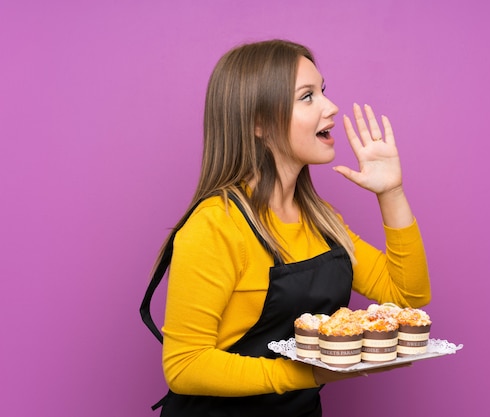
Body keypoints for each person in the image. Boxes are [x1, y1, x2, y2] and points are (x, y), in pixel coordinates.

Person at [140, 39, 431, 417]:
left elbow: (406, 298)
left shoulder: (321, 221)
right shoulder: (216, 225)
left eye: (322, 91)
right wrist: (304, 374)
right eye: (307, 97)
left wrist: (391, 192)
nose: (331, 107)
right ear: (259, 123)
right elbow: (184, 366)